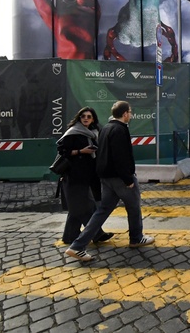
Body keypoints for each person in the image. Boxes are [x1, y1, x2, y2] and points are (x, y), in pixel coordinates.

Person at [65, 101, 154, 261]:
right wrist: (128, 179)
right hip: (120, 178)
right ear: (125, 113)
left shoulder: (106, 128)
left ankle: (77, 246)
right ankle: (136, 238)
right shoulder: (120, 129)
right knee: (134, 207)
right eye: (130, 112)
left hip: (106, 178)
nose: (131, 115)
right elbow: (120, 157)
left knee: (102, 211)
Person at [56, 107, 113, 245]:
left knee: (76, 207)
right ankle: (97, 234)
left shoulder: (94, 133)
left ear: (93, 119)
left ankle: (70, 236)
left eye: (89, 116)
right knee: (86, 206)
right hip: (75, 174)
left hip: (90, 174)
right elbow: (63, 151)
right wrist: (81, 151)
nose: (86, 118)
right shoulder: (73, 132)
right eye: (83, 116)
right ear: (79, 118)